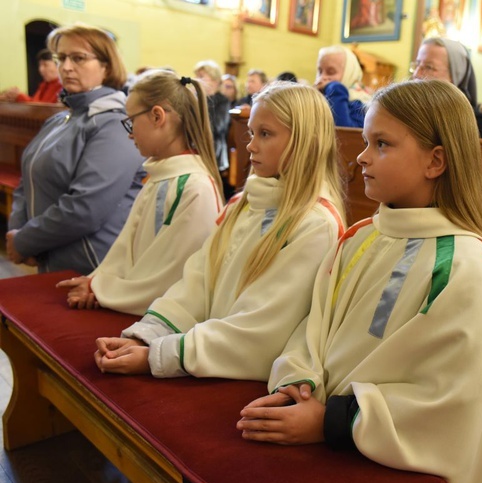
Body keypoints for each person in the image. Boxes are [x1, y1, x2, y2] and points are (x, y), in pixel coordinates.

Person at [237, 80, 482, 483]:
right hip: (330, 428)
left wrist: (328, 422)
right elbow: (313, 330)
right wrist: (299, 386)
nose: (361, 158)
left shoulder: (464, 265)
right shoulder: (358, 238)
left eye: (381, 144)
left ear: (435, 160)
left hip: (388, 460)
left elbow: (448, 402)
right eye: (366, 142)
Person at [92, 82, 346, 380]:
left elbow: (261, 330)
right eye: (251, 132)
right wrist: (146, 336)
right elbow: (197, 281)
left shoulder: (315, 224)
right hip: (205, 356)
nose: (250, 145)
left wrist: (159, 356)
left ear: (307, 142)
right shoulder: (242, 203)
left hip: (239, 372)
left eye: (265, 134)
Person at [55, 70, 225, 315]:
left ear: (157, 116)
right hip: (134, 304)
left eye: (131, 121)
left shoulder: (195, 187)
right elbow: (127, 249)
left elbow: (175, 277)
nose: (130, 133)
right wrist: (96, 283)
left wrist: (104, 291)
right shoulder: (161, 177)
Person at [6, 23, 144, 275]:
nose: (66, 67)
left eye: (78, 58)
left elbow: (85, 208)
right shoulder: (59, 119)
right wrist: (17, 232)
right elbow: (26, 181)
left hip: (90, 270)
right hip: (51, 260)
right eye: (61, 58)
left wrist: (25, 241)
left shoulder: (115, 125)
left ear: (107, 66)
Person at [194, 60, 232, 198]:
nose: (198, 80)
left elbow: (218, 127)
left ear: (215, 81)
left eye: (202, 76)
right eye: (197, 76)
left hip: (214, 148)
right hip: (196, 145)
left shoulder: (222, 101)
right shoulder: (197, 98)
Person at [315, 45, 370, 127]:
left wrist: (336, 88)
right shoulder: (319, 98)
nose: (322, 77)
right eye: (320, 71)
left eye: (331, 72)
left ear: (349, 73)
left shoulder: (359, 104)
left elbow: (344, 133)